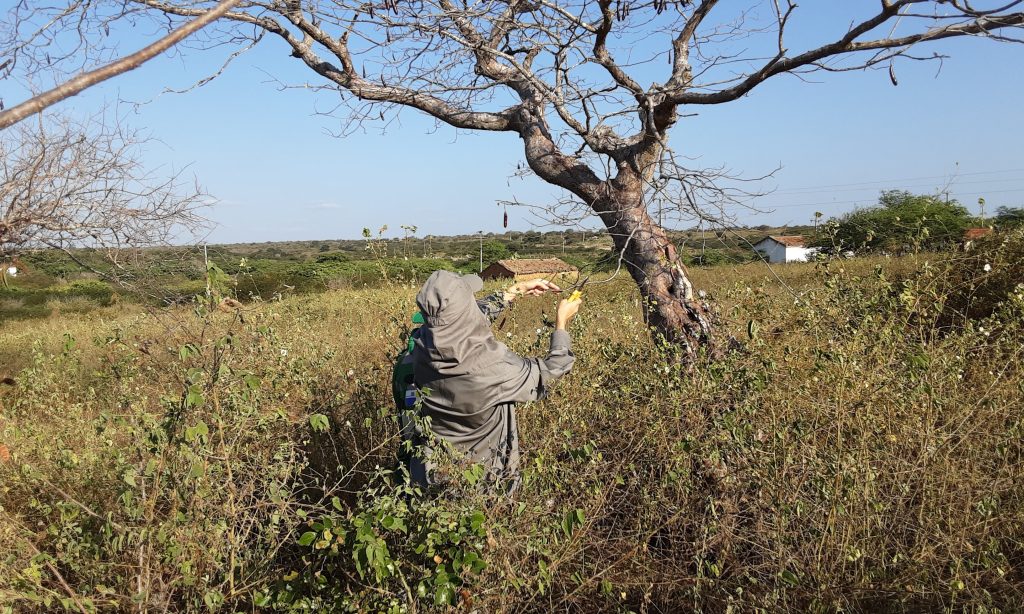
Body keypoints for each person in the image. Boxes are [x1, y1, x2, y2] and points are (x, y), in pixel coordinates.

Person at [405, 270, 581, 492]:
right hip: (484, 481)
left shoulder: (420, 343)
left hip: (429, 475)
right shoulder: (492, 367)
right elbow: (553, 369)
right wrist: (561, 324)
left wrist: (513, 291)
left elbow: (459, 320)